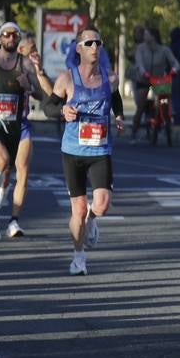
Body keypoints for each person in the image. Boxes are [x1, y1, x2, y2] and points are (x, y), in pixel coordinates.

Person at [44, 28, 124, 276]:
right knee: (76, 210)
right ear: (78, 48)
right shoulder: (66, 79)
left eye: (98, 42)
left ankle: (91, 220)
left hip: (100, 149)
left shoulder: (110, 78)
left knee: (102, 205)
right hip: (73, 151)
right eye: (89, 42)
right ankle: (78, 257)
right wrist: (62, 112)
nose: (94, 47)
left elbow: (116, 98)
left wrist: (119, 116)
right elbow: (48, 107)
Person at [0, 23, 47, 241]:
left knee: (8, 174)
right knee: (3, 162)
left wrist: (28, 86)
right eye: (6, 34)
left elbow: (41, 96)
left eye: (15, 35)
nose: (10, 38)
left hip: (17, 125)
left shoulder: (25, 65)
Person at [131, 27, 179, 137]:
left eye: (147, 34)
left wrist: (174, 70)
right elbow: (139, 63)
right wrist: (143, 72)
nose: (144, 37)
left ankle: (166, 120)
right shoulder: (140, 49)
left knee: (164, 100)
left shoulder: (164, 50)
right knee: (141, 105)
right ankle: (135, 130)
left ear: (154, 37)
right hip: (143, 79)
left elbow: (175, 63)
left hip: (159, 80)